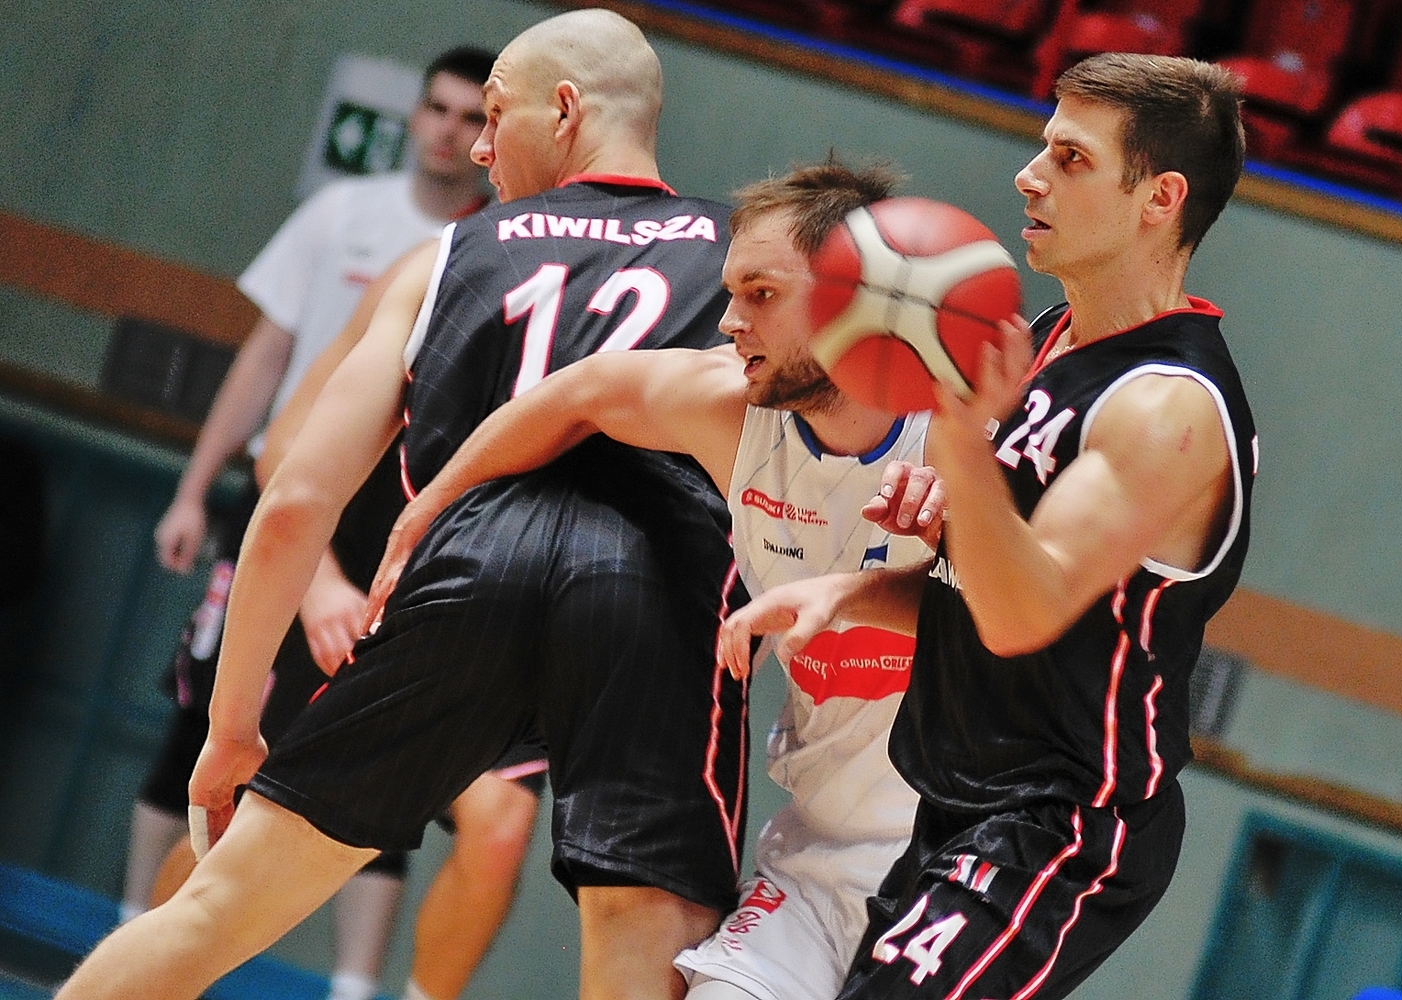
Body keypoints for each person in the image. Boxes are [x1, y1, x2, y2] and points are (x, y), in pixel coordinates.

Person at [59, 10, 747, 1000]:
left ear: (564, 110)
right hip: (658, 594)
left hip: (463, 572)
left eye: (495, 115)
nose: (480, 147)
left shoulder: (445, 257)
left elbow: (294, 496)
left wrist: (231, 720)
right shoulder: (748, 261)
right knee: (638, 934)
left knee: (220, 905)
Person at [719, 53, 1257, 1000]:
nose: (1028, 175)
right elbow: (977, 585)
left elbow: (1021, 615)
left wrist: (963, 450)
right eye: (1043, 146)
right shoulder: (1044, 339)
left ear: (1160, 197)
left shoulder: (1165, 408)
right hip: (952, 801)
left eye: (1071, 158)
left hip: (1063, 824)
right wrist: (849, 591)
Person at [359, 159, 945, 1000]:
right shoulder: (730, 410)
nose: (731, 321)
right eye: (731, 293)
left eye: (762, 295)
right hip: (815, 860)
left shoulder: (970, 438)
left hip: (961, 862)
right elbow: (581, 393)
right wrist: (428, 510)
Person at [121, 45, 541, 1000]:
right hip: (332, 557)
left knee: (495, 823)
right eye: (447, 114)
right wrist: (316, 584)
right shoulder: (407, 254)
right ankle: (141, 964)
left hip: (458, 590)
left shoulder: (584, 293)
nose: (461, 137)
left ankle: (376, 987)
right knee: (243, 802)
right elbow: (282, 440)